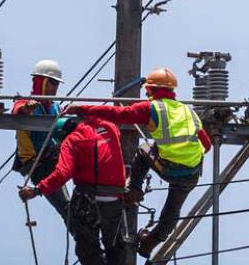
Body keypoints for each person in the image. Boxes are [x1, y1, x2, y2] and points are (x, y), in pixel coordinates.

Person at [65, 68, 211, 258]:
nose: (146, 93)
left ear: (151, 90)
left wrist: (82, 109)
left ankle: (134, 189)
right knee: (171, 214)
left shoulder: (151, 108)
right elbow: (206, 145)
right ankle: (148, 245)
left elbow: (118, 114)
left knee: (143, 150)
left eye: (147, 90)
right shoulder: (188, 111)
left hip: (169, 168)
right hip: (192, 172)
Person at [19, 116, 127, 265]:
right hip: (113, 199)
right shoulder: (110, 128)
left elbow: (62, 173)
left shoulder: (71, 141)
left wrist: (37, 190)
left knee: (87, 251)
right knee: (115, 250)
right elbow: (108, 115)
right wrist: (83, 110)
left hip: (88, 200)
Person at [12, 59, 70, 224]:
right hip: (37, 164)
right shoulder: (25, 102)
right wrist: (27, 109)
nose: (54, 88)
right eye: (51, 82)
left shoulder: (56, 108)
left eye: (56, 84)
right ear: (40, 81)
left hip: (53, 160)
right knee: (66, 207)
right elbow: (18, 110)